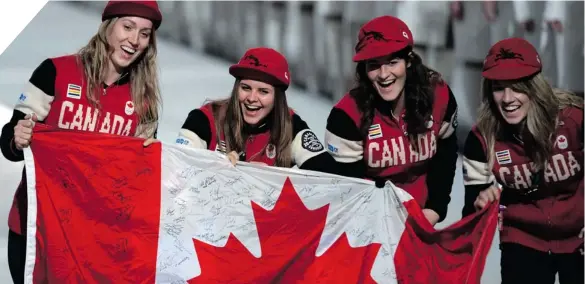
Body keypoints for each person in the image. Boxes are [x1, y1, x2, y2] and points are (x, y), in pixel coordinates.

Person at [0, 1, 163, 282]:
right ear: (108, 26)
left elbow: (139, 182)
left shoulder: (144, 103)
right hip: (35, 231)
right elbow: (10, 145)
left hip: (95, 243)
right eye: (128, 27)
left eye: (145, 34)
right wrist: (17, 137)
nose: (135, 40)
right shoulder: (54, 71)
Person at [461, 37, 584, 284]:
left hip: (578, 237)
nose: (507, 99)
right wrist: (480, 202)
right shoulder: (481, 137)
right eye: (498, 88)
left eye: (517, 87)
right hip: (521, 239)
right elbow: (469, 214)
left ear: (534, 87)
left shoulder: (574, 118)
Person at [323, 15, 459, 226]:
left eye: (393, 62)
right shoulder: (346, 116)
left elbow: (446, 156)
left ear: (409, 62)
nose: (384, 74)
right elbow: (348, 189)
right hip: (367, 224)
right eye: (374, 65)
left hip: (421, 219)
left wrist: (434, 209)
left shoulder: (438, 95)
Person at [176, 47, 339, 173]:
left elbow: (330, 179)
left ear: (278, 98)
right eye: (245, 88)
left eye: (263, 91)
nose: (252, 98)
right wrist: (218, 169)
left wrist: (273, 179)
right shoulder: (204, 119)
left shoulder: (291, 125)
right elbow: (177, 168)